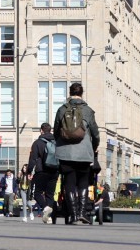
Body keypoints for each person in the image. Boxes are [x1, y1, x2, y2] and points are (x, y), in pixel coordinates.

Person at [53, 82, 100, 225]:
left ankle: (73, 215)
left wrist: (60, 144)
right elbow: (95, 133)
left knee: (69, 184)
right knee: (83, 183)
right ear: (82, 93)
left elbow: (56, 131)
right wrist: (93, 147)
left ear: (69, 92)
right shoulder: (88, 111)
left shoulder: (62, 110)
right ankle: (82, 213)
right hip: (84, 153)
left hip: (65, 153)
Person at [28, 122, 58, 223]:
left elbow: (33, 159)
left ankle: (45, 208)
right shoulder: (56, 142)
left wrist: (29, 171)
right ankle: (49, 217)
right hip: (54, 171)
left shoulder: (37, 143)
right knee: (50, 194)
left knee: (37, 193)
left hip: (41, 171)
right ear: (51, 131)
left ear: (41, 130)